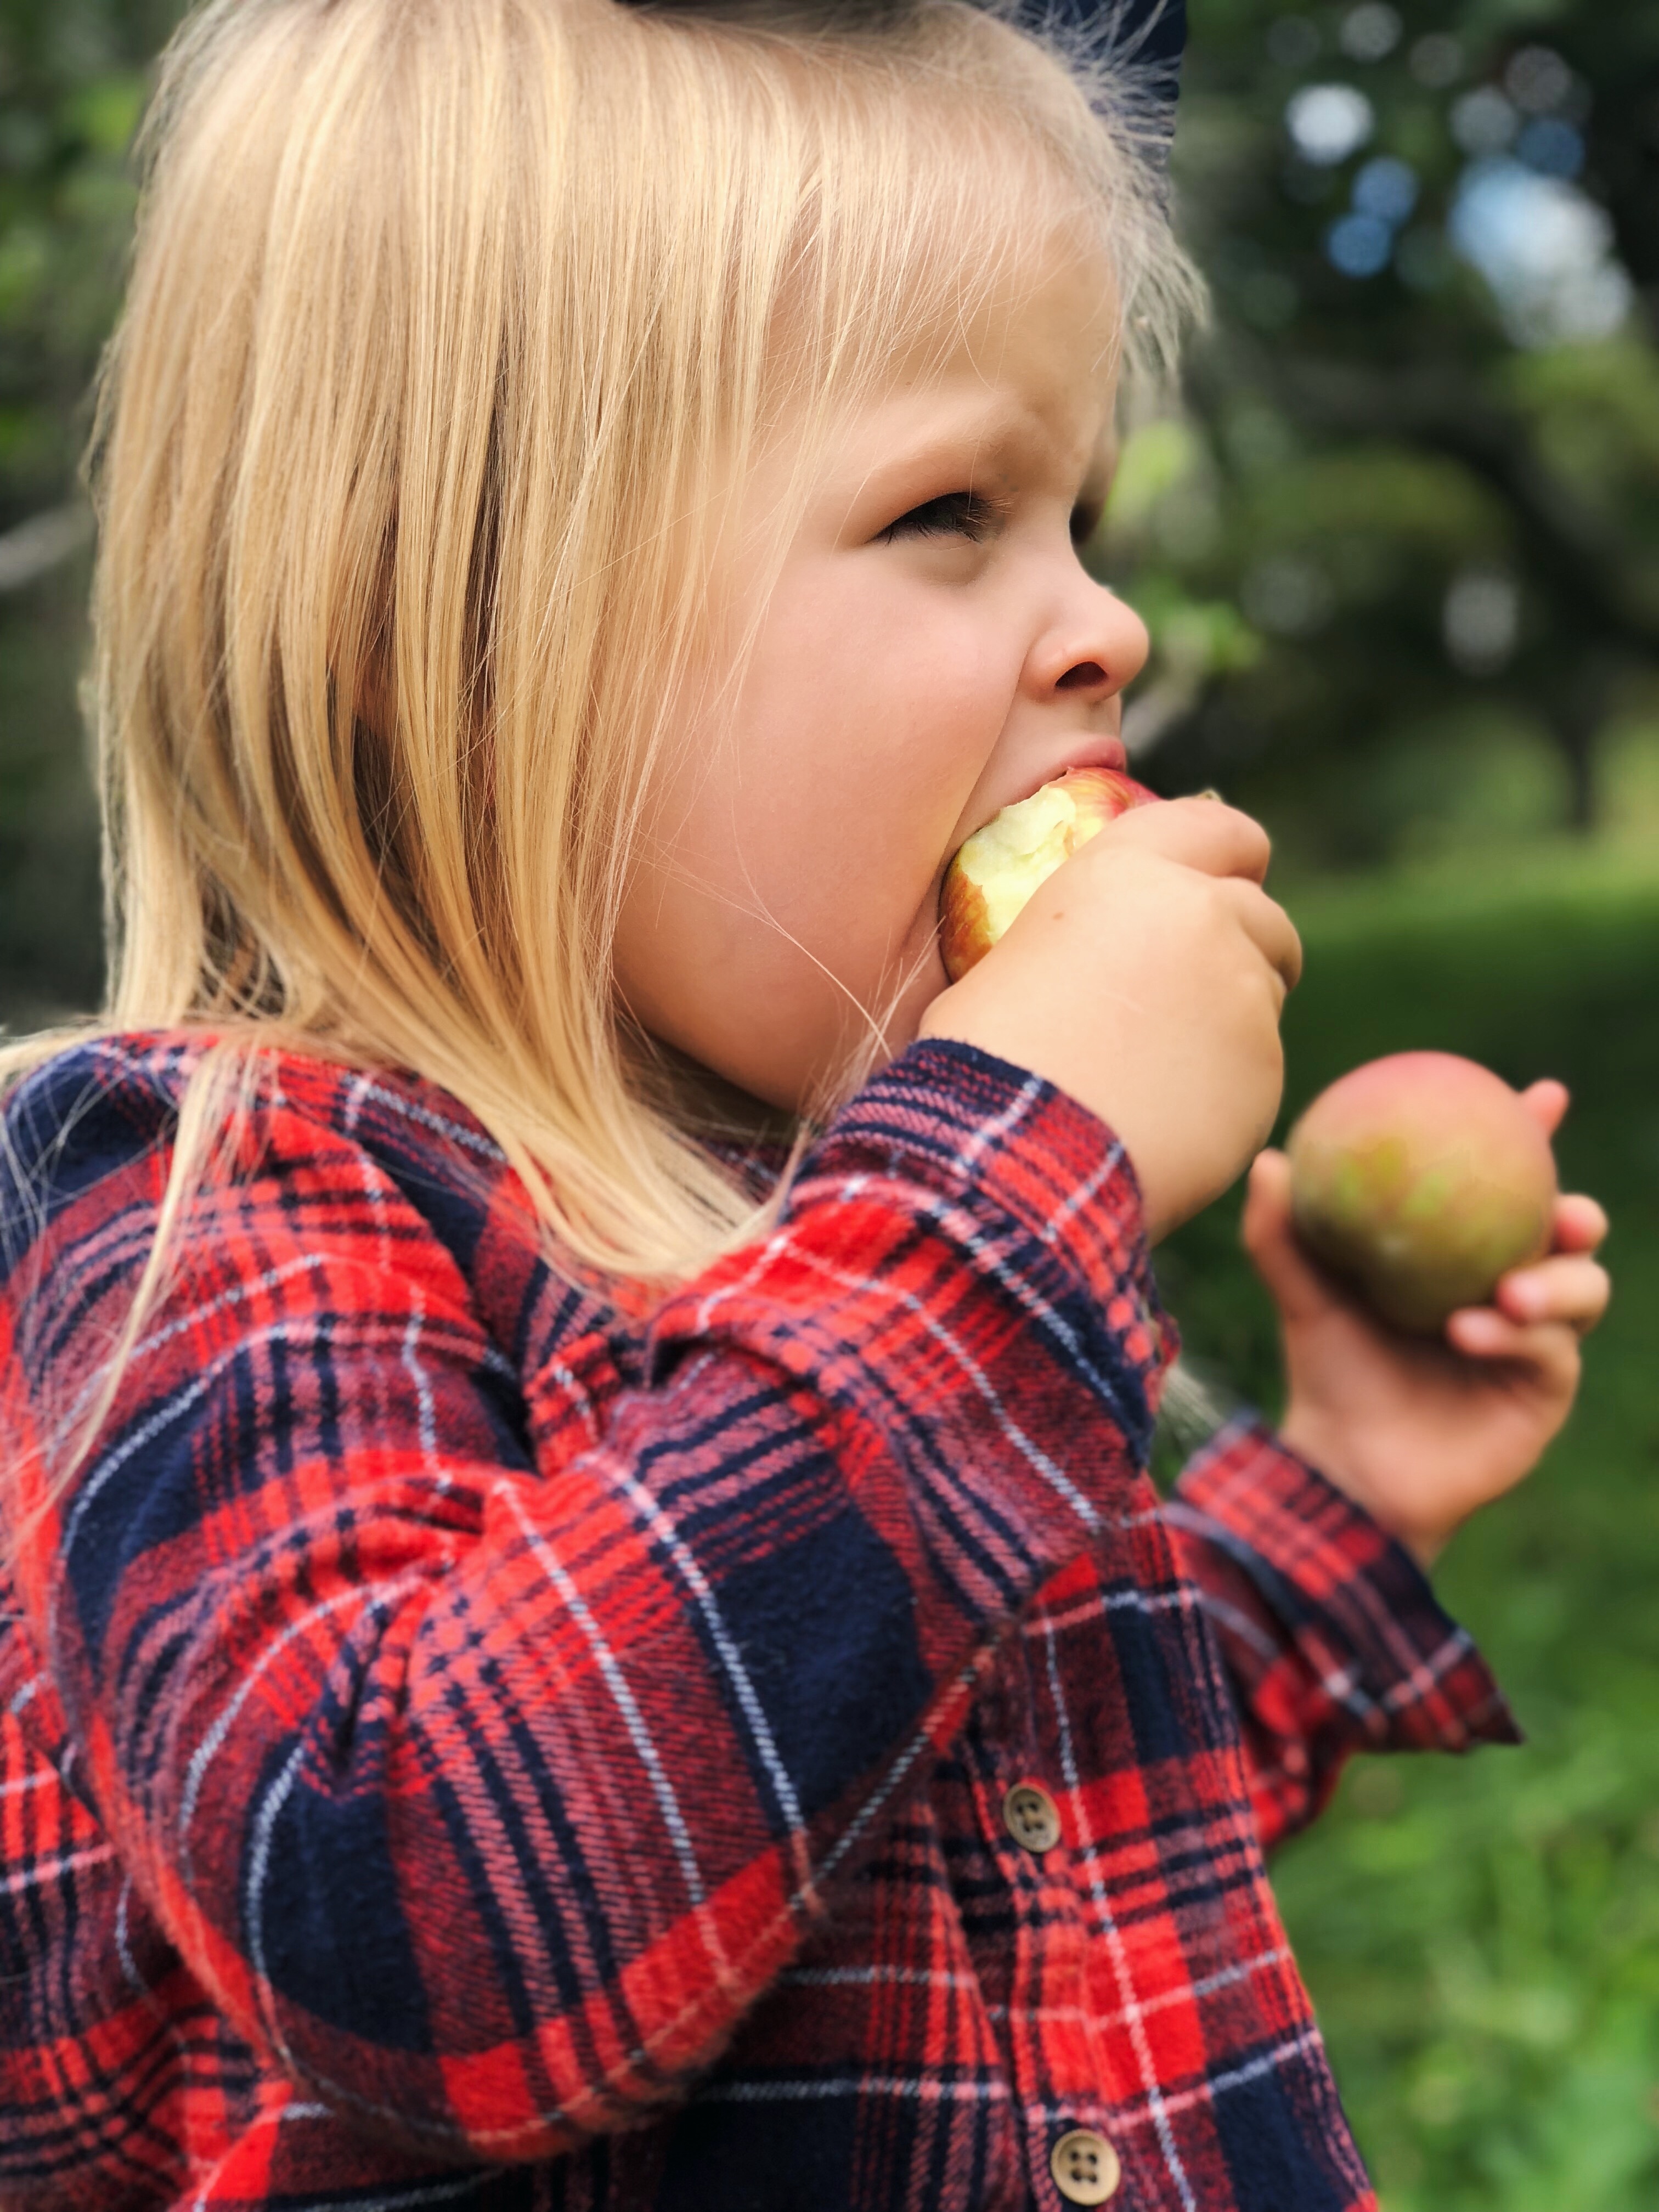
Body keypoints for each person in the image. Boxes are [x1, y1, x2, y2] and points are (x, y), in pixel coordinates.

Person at [0, 0, 1609, 2207]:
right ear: (460, 644)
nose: (1108, 624)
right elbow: (407, 1908)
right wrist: (1006, 1183)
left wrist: (1342, 1494)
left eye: (1086, 515)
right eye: (954, 510)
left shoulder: (860, 1240)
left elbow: (987, 1804)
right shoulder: (229, 1201)